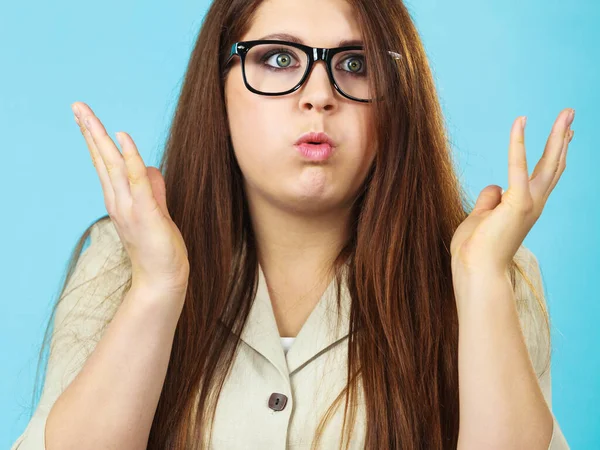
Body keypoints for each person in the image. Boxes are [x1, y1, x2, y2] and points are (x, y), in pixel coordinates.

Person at [11, 0, 573, 448]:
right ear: (219, 85)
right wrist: (157, 289)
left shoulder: (490, 270)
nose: (319, 96)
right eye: (279, 59)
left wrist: (481, 282)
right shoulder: (119, 259)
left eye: (356, 63)